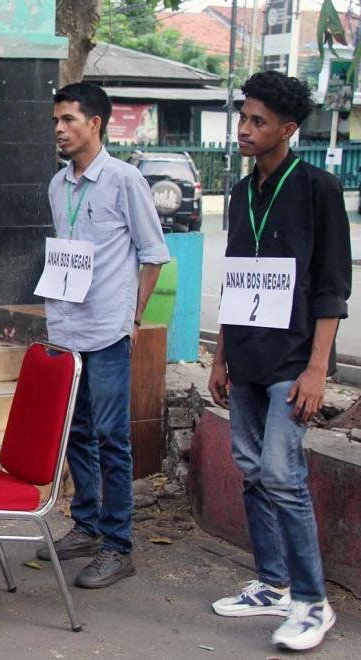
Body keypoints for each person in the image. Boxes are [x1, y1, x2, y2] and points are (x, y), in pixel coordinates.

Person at [208, 70, 350, 652]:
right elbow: (237, 282)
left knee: (284, 477)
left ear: (288, 130)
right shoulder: (241, 193)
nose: (244, 128)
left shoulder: (318, 189)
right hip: (245, 358)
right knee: (250, 468)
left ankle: (313, 602)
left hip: (293, 360)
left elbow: (332, 288)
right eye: (243, 117)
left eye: (258, 121)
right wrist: (219, 357)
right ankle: (271, 583)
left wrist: (317, 369)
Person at [35, 82, 170, 588]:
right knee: (74, 431)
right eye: (55, 121)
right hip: (66, 330)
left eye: (68, 120)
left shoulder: (124, 180)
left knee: (113, 438)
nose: (59, 130)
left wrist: (132, 319)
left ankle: (118, 545)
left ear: (95, 123)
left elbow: (153, 254)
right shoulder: (57, 185)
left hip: (109, 333)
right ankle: (87, 525)